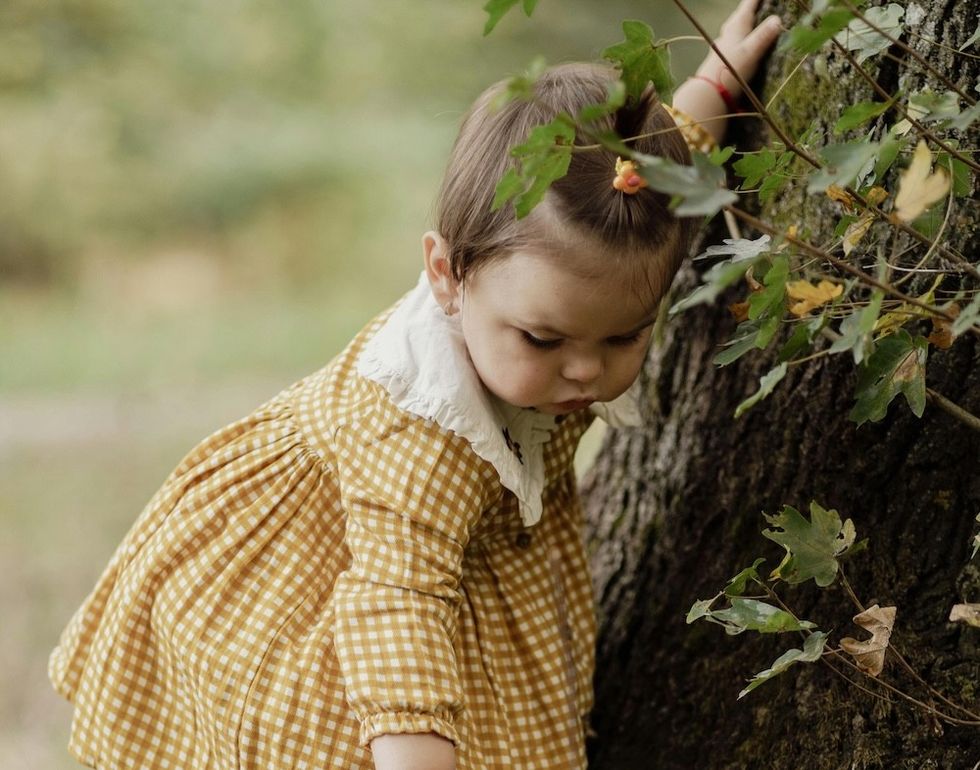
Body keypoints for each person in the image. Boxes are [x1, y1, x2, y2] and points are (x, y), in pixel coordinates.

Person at [48, 2, 781, 768]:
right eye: (543, 338)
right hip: (321, 595)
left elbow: (659, 180)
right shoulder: (424, 432)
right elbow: (396, 611)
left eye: (624, 336)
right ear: (447, 274)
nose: (585, 370)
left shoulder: (586, 267)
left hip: (466, 570)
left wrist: (715, 88)